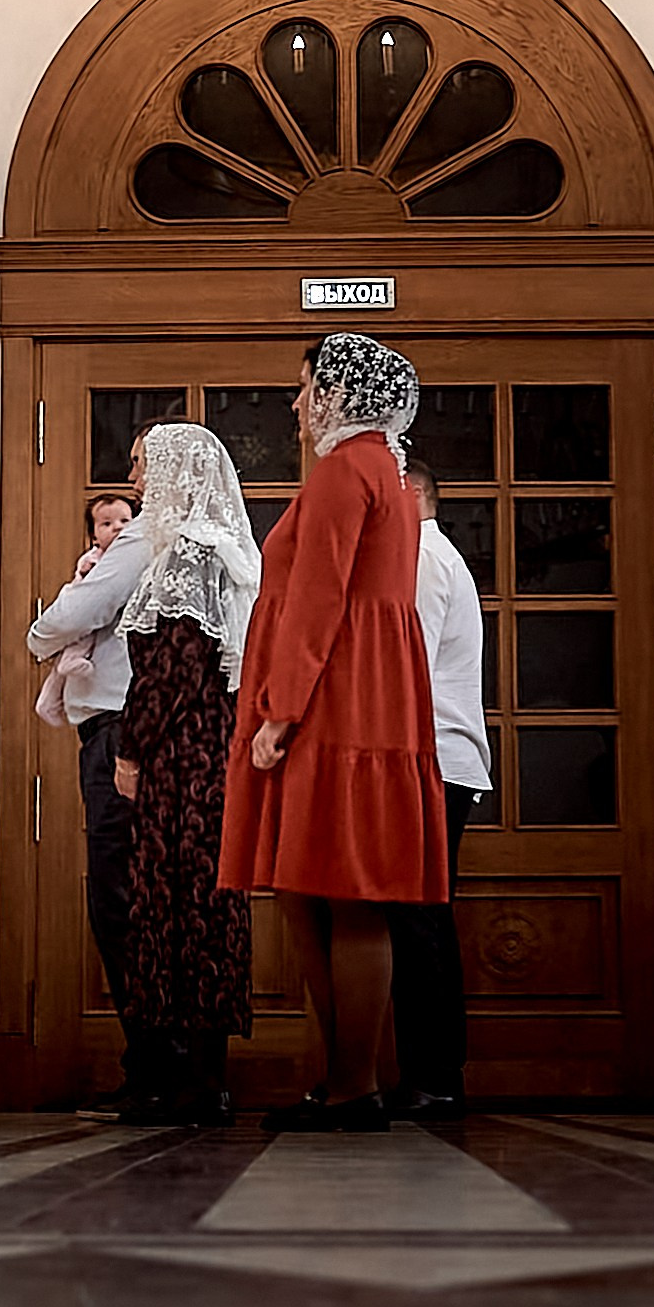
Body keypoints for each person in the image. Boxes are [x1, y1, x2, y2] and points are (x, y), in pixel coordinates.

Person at [219, 330, 447, 1133]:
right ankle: (341, 1077)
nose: (295, 401)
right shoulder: (378, 466)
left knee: (345, 892)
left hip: (334, 693)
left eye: (305, 384)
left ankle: (353, 1084)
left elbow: (317, 600)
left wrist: (280, 708)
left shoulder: (343, 472)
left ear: (338, 392)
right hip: (362, 685)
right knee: (320, 888)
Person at [110, 423, 259, 1125]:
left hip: (182, 757)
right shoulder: (214, 548)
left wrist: (129, 747)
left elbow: (171, 671)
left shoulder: (191, 553)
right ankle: (200, 1076)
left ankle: (193, 1082)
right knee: (199, 908)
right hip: (209, 750)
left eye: (142, 465)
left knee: (180, 910)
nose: (133, 480)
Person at [28, 451, 154, 1095]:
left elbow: (62, 621)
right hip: (107, 728)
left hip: (120, 730)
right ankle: (153, 1064)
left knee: (119, 897)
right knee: (121, 895)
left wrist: (40, 634)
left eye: (138, 467)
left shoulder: (142, 541)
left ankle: (153, 1066)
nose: (130, 479)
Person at [388, 455, 493, 1118]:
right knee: (415, 914)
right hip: (429, 754)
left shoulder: (424, 553)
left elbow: (406, 659)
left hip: (431, 755)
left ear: (411, 493)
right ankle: (428, 1070)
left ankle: (434, 1075)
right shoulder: (427, 550)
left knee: (419, 915)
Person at [35, 493, 137, 732]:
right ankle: (49, 700)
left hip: (114, 697)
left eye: (125, 521)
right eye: (107, 524)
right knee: (76, 642)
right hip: (100, 703)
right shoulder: (95, 559)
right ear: (94, 536)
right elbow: (81, 606)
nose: (118, 528)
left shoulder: (136, 559)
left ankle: (50, 700)